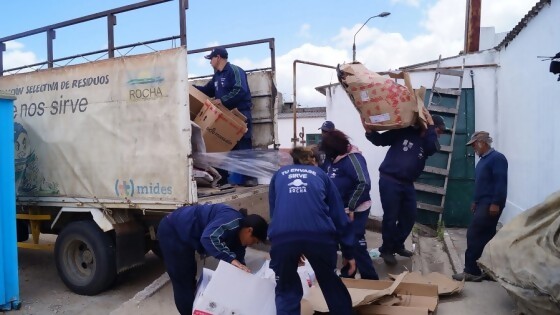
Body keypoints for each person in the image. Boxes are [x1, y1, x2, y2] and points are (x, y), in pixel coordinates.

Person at [268, 147, 356, 315]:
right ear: (313, 160)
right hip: (319, 236)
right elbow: (339, 217)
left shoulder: (279, 175)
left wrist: (289, 243)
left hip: (283, 237)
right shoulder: (321, 175)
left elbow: (275, 214)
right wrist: (349, 252)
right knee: (331, 283)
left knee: (286, 289)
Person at [363, 108, 445, 266]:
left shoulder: (429, 143)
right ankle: (386, 249)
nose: (439, 134)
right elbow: (380, 141)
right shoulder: (404, 132)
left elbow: (431, 148)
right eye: (438, 130)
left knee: (409, 216)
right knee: (390, 217)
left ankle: (397, 245)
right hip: (389, 180)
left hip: (407, 184)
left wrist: (431, 127)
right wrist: (369, 133)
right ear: (426, 125)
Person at [157, 204, 268, 315]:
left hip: (186, 234)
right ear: (249, 230)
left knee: (190, 277)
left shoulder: (240, 238)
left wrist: (244, 274)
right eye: (255, 241)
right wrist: (230, 259)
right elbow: (208, 238)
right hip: (173, 230)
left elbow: (238, 259)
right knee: (183, 282)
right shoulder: (231, 221)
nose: (252, 244)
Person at [320, 129, 379, 280]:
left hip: (356, 209)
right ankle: (348, 275)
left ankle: (370, 279)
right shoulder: (334, 158)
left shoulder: (353, 159)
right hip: (341, 209)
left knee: (356, 244)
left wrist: (351, 206)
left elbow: (363, 183)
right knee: (344, 242)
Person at [194, 47, 257, 187]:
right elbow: (207, 90)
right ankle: (222, 178)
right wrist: (191, 87)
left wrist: (222, 100)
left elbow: (240, 90)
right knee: (221, 146)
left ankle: (250, 178)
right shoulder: (216, 76)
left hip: (239, 114)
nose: (210, 62)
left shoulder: (235, 70)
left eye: (211, 58)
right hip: (223, 117)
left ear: (218, 57)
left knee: (244, 146)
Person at [452, 131, 508, 282]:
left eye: (474, 145)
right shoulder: (483, 160)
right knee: (487, 237)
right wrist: (475, 201)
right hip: (483, 203)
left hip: (491, 204)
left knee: (474, 235)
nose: (473, 148)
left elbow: (500, 182)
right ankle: (488, 270)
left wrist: (496, 203)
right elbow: (481, 184)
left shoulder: (497, 158)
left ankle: (472, 270)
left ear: (482, 143)